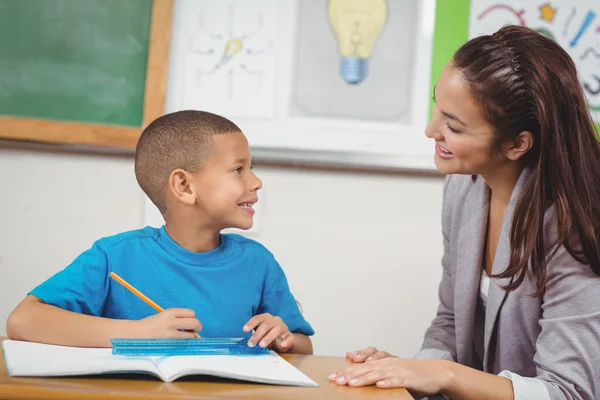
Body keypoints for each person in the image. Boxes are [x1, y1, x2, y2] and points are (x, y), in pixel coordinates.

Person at [329, 25, 600, 399]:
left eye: (453, 126)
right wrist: (410, 373)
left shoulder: (575, 225)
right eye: (436, 108)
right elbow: (452, 321)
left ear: (517, 144)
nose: (430, 130)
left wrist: (445, 374)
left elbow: (570, 392)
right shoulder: (465, 188)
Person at [6, 110, 314, 355]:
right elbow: (22, 321)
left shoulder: (258, 262)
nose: (256, 181)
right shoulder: (115, 257)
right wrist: (137, 333)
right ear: (184, 186)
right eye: (239, 169)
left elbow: (304, 346)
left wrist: (283, 338)